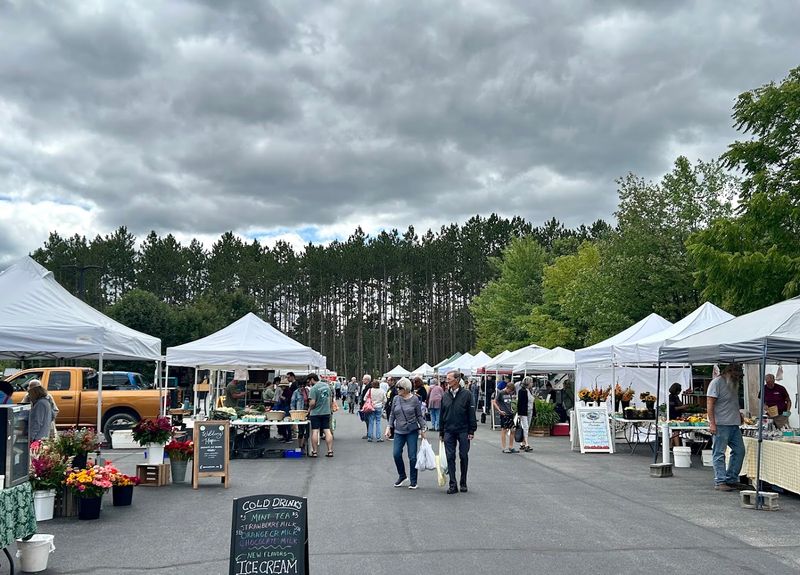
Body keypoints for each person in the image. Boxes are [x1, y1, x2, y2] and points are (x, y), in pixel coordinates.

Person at [707, 363, 746, 491]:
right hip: (721, 424)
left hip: (733, 423)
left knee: (740, 451)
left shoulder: (733, 384)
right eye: (737, 375)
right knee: (719, 452)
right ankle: (720, 481)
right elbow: (710, 403)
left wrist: (738, 414)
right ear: (729, 371)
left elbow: (732, 402)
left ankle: (731, 479)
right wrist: (712, 423)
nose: (738, 378)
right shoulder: (717, 383)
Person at [440, 370, 477, 494]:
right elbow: (442, 414)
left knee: (463, 455)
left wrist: (472, 430)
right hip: (449, 430)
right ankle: (452, 484)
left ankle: (463, 482)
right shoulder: (445, 395)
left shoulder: (467, 394)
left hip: (463, 429)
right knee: (450, 457)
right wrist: (441, 431)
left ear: (456, 380)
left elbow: (471, 413)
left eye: (449, 379)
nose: (447, 381)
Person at [386, 377, 426, 489]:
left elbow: (419, 416)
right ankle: (402, 476)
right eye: (397, 387)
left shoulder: (415, 400)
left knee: (412, 457)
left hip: (411, 431)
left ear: (406, 389)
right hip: (399, 431)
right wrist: (389, 427)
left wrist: (423, 428)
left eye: (400, 388)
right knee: (396, 454)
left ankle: (413, 480)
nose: (397, 390)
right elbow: (392, 414)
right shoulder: (396, 399)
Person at [308, 373, 334, 457]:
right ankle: (330, 450)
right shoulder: (327, 386)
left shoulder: (313, 389)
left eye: (309, 381)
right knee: (327, 430)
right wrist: (330, 409)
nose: (309, 383)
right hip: (326, 412)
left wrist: (309, 409)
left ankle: (315, 452)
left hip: (315, 413)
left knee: (315, 431)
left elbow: (312, 403)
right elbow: (330, 399)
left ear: (312, 379)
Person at [492, 380, 517, 453]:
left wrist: (512, 409)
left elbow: (509, 403)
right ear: (507, 388)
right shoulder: (501, 393)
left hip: (510, 414)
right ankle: (504, 447)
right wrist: (499, 410)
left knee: (513, 430)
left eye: (511, 391)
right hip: (504, 414)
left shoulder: (510, 394)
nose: (510, 392)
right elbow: (494, 402)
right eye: (510, 391)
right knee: (504, 430)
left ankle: (511, 446)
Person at [290, 377, 310, 452]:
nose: (302, 387)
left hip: (307, 412)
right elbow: (292, 403)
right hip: (299, 413)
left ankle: (304, 444)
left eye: (303, 386)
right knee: (301, 430)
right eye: (300, 386)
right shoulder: (296, 392)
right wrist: (293, 412)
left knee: (307, 430)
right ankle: (300, 446)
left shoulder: (307, 391)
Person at [516, 377, 534, 452]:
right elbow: (519, 403)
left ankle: (522, 443)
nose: (532, 383)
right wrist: (519, 413)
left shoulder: (530, 391)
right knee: (525, 427)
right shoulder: (522, 391)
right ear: (528, 383)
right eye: (531, 382)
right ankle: (526, 444)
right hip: (524, 412)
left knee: (527, 427)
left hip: (529, 410)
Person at [359, 374, 373, 439]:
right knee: (368, 420)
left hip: (367, 405)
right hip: (367, 405)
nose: (362, 380)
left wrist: (362, 405)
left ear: (367, 380)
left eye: (364, 379)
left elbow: (365, 398)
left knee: (368, 420)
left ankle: (369, 433)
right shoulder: (368, 386)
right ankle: (369, 433)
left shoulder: (368, 387)